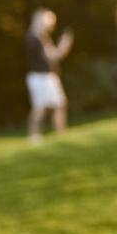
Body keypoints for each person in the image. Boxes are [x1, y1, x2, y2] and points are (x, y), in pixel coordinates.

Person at [25, 8, 73, 143]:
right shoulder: (33, 38)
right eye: (48, 22)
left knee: (59, 104)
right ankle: (34, 136)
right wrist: (63, 46)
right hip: (40, 77)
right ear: (38, 20)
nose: (50, 26)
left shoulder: (42, 37)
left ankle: (61, 133)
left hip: (48, 77)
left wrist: (63, 48)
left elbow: (54, 56)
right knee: (40, 108)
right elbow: (52, 56)